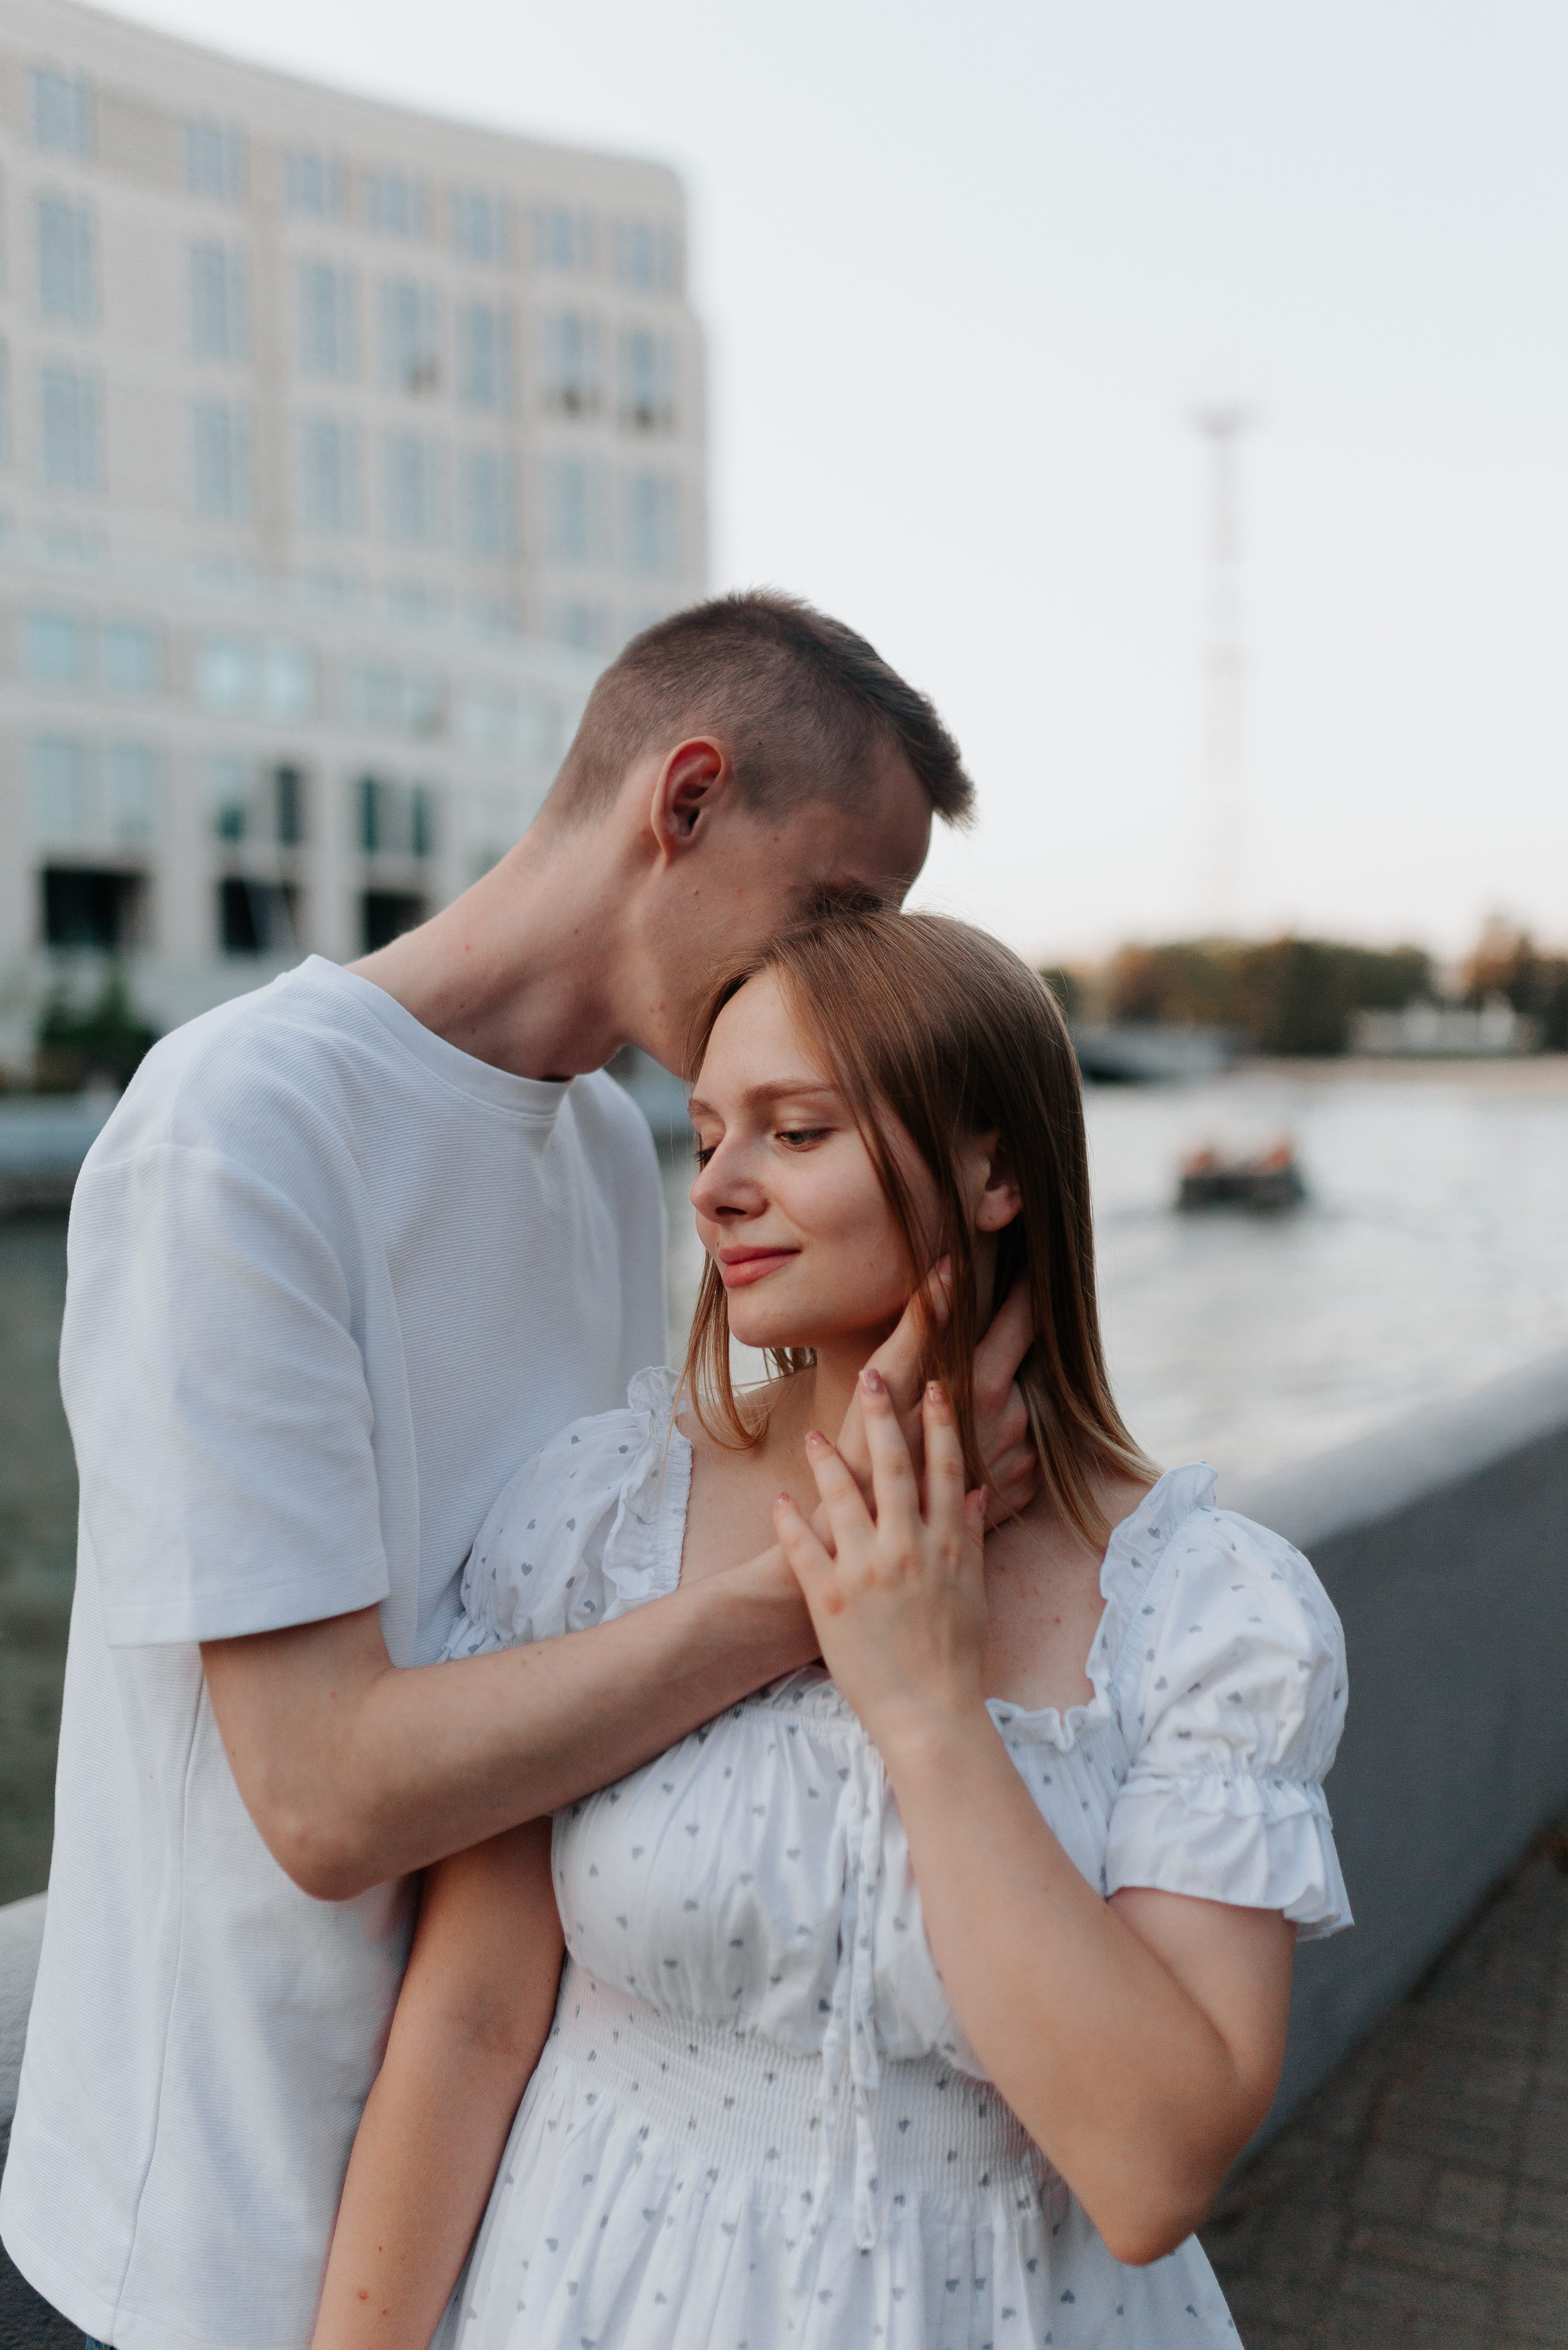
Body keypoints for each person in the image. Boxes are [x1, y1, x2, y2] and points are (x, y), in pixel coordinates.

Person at [0, 595, 1037, 2350]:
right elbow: (325, 1796)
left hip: (499, 2218)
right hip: (195, 2254)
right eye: (842, 911)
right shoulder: (241, 1128)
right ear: (684, 798)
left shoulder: (598, 1157)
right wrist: (824, 1591)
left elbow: (590, 1623)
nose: (848, 989)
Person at [309, 910, 1351, 2350]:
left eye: (794, 1132)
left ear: (993, 1169)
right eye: (708, 1129)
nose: (717, 1187)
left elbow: (1148, 2166)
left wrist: (923, 1705)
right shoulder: (598, 1518)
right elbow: (472, 2021)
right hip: (588, 2291)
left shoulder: (1206, 1610)